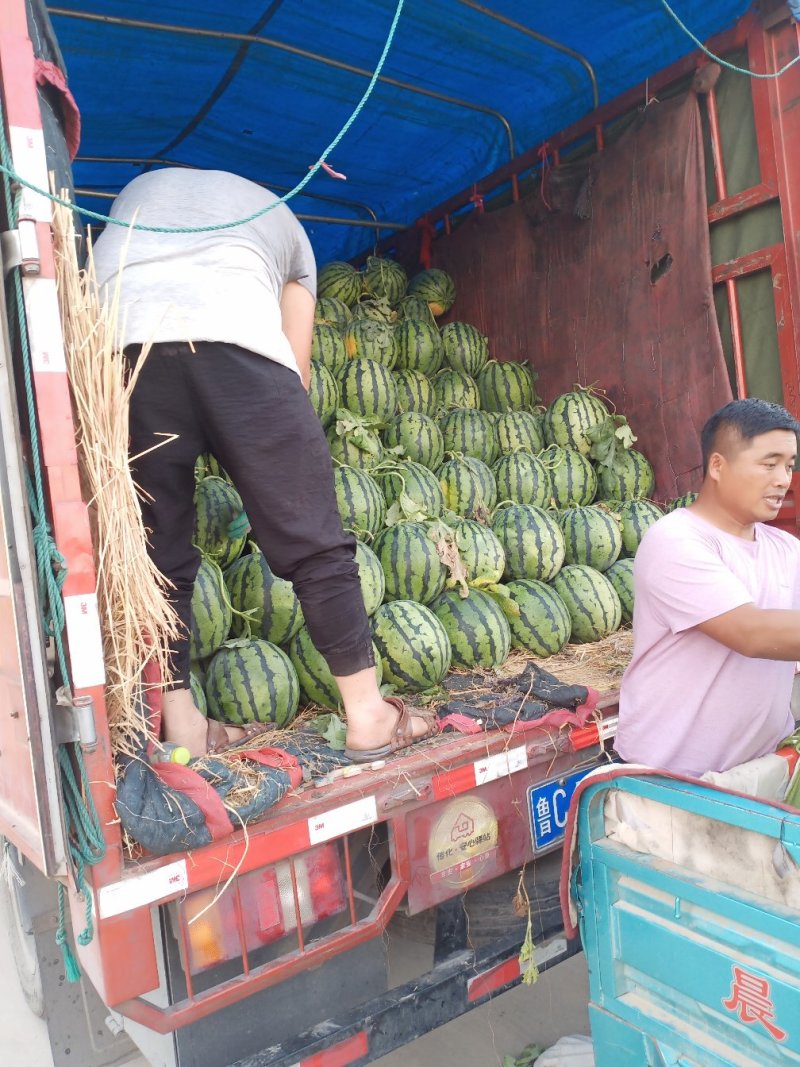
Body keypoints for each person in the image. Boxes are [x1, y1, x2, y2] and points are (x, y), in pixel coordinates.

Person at [91, 167, 436, 759]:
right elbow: (295, 371)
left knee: (155, 558)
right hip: (236, 343)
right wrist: (267, 474)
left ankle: (182, 725)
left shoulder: (136, 195)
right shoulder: (290, 234)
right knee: (314, 543)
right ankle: (368, 715)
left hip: (122, 351)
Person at [616, 397, 800, 776]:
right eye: (769, 464)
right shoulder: (675, 540)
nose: (783, 479)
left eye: (790, 466)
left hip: (753, 775)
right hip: (670, 782)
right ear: (718, 465)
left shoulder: (785, 549)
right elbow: (752, 633)